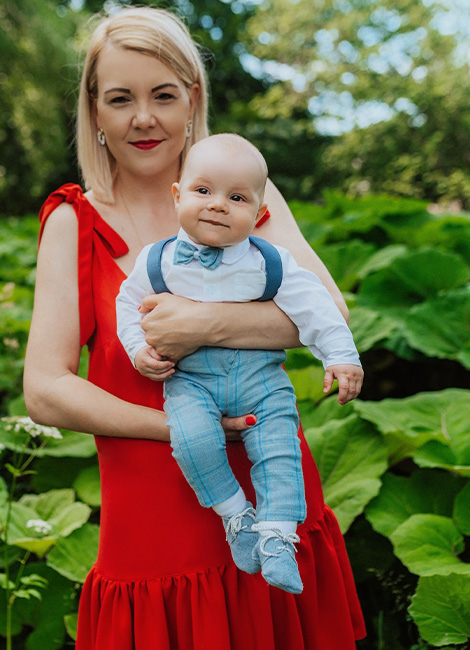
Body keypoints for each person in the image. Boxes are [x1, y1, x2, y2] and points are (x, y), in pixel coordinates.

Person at [23, 6, 366, 649]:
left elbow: (328, 313)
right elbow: (44, 389)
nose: (143, 118)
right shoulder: (73, 221)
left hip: (274, 497)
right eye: (120, 98)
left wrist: (204, 321)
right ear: (94, 111)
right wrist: (184, 428)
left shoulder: (244, 197)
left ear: (192, 100)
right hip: (154, 518)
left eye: (163, 95)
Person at [116, 133, 364, 595]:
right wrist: (138, 349)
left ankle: (277, 540)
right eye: (203, 191)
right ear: (178, 196)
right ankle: (236, 516)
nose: (217, 206)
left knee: (279, 451)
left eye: (236, 198)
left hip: (261, 380)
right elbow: (127, 305)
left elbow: (317, 309)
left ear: (258, 211)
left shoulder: (270, 262)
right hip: (191, 380)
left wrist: (342, 358)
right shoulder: (157, 260)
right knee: (192, 441)